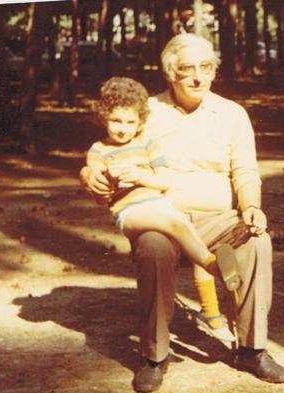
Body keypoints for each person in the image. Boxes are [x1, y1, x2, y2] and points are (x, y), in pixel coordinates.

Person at [80, 33, 284, 392]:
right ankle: (155, 356)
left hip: (219, 218)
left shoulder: (232, 114)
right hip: (159, 214)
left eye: (205, 67)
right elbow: (112, 145)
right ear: (169, 73)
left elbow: (245, 171)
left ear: (214, 71)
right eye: (187, 69)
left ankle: (252, 349)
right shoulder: (149, 111)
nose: (197, 77)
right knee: (155, 249)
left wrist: (252, 206)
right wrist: (88, 173)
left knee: (257, 242)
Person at [87, 76, 237, 344]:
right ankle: (212, 266)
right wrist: (107, 177)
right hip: (129, 213)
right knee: (177, 226)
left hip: (157, 202)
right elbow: (100, 194)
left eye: (130, 122)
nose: (123, 128)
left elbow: (165, 180)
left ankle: (212, 287)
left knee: (183, 228)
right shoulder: (99, 150)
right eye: (116, 121)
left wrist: (140, 176)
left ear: (140, 121)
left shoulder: (147, 144)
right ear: (104, 118)